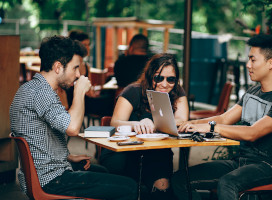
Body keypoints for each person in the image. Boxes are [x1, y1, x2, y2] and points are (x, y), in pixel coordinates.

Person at [10, 35, 137, 200]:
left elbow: (37, 137)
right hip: (51, 180)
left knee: (104, 171)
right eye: (75, 68)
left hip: (43, 174)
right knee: (130, 187)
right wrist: (79, 92)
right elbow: (72, 128)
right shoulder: (42, 93)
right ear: (58, 67)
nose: (78, 75)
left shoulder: (30, 89)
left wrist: (67, 156)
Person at [172, 34, 272, 200]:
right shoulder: (252, 92)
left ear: (271, 63)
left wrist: (211, 127)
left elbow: (253, 133)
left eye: (253, 60)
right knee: (180, 180)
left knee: (227, 183)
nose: (248, 65)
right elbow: (224, 119)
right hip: (240, 162)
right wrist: (190, 123)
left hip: (267, 167)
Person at [99, 53, 189, 200]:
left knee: (163, 191)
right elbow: (115, 122)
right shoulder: (133, 90)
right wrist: (137, 124)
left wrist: (157, 124)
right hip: (125, 152)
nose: (165, 84)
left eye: (171, 79)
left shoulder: (177, 92)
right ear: (149, 76)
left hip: (156, 153)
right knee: (129, 189)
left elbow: (181, 120)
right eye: (159, 78)